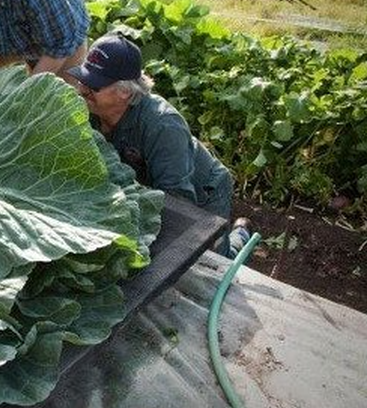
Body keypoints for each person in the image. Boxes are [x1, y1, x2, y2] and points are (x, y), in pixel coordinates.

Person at [67, 32, 250, 258]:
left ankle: (240, 236)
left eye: (93, 86)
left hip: (203, 194)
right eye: (82, 80)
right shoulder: (89, 111)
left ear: (125, 91)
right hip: (149, 187)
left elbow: (178, 202)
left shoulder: (163, 125)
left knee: (211, 262)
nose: (81, 90)